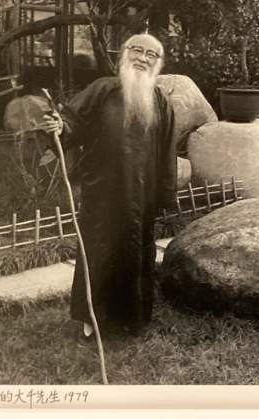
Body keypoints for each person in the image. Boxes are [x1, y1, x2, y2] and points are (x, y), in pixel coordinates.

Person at [42, 34, 177, 338]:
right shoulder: (102, 89)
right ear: (124, 54)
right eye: (137, 50)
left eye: (151, 54)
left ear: (159, 64)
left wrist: (165, 193)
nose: (142, 58)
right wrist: (60, 127)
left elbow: (168, 151)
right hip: (102, 190)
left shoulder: (161, 102)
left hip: (141, 195)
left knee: (135, 254)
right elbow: (72, 121)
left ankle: (131, 319)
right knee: (98, 252)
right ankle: (93, 319)